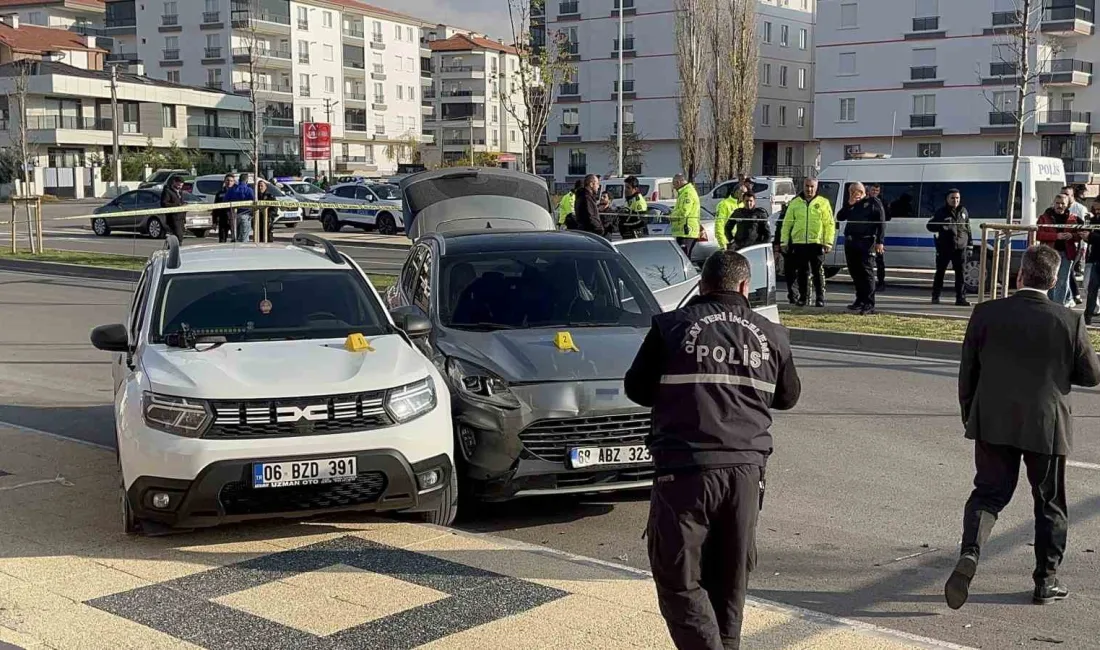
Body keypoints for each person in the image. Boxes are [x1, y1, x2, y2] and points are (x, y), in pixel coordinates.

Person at [624, 250, 801, 650]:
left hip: (685, 470)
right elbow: (788, 397)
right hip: (745, 472)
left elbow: (636, 388)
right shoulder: (771, 334)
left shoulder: (672, 327)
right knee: (730, 580)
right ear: (744, 287)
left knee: (679, 579)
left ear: (702, 286)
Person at [945, 244, 1100, 611]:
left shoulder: (985, 314)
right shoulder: (1069, 320)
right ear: (1055, 279)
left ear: (1019, 275)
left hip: (993, 421)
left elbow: (968, 373)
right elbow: (1091, 375)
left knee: (988, 494)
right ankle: (1046, 581)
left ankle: (971, 551)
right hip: (1046, 425)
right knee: (1049, 502)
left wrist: (971, 415)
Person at [780, 177, 835, 307]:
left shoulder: (823, 202)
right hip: (799, 243)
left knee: (818, 272)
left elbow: (829, 224)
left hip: (816, 243)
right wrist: (784, 241)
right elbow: (787, 224)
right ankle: (803, 298)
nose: (809, 189)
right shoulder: (795, 203)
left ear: (816, 188)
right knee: (802, 272)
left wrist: (828, 242)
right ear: (803, 186)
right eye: (807, 186)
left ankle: (820, 298)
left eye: (812, 186)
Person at [836, 182, 886, 315]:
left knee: (866, 273)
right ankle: (860, 300)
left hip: (866, 241)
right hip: (851, 242)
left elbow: (881, 222)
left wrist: (880, 242)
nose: (853, 194)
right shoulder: (851, 204)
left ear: (862, 191)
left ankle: (869, 303)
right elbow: (840, 217)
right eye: (851, 192)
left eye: (856, 192)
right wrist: (849, 205)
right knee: (855, 272)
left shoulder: (873, 202)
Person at [1037, 193, 1087, 306]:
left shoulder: (1073, 218)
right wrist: (1056, 236)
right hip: (1049, 253)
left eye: (1062, 203)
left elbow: (1082, 233)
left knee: (1062, 281)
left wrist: (1072, 236)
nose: (1059, 206)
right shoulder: (1044, 217)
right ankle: (1048, 304)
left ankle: (1059, 306)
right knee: (1049, 279)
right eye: (1057, 203)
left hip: (1067, 253)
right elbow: (1038, 234)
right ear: (1053, 204)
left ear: (1068, 205)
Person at [927, 189, 973, 306]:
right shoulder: (941, 212)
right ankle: (935, 296)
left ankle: (960, 298)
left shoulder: (963, 211)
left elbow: (968, 228)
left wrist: (970, 245)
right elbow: (930, 226)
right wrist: (942, 226)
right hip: (945, 247)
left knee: (961, 274)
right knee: (940, 272)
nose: (955, 200)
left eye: (957, 198)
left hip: (960, 248)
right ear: (947, 199)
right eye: (952, 198)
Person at [1062, 186, 1089, 305]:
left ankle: (1072, 296)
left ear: (1072, 196)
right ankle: (1073, 295)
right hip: (1064, 245)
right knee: (1067, 272)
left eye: (1067, 194)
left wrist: (1082, 244)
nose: (1065, 196)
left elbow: (1084, 228)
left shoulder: (1080, 209)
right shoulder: (1061, 207)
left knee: (1069, 271)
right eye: (1063, 194)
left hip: (1077, 245)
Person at [670, 173, 701, 258]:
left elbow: (684, 211)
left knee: (684, 258)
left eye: (674, 184)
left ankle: (687, 271)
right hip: (683, 231)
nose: (674, 187)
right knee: (683, 257)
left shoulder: (687, 193)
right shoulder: (684, 192)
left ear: (679, 182)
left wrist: (671, 216)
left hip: (686, 231)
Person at [867, 183, 890, 291]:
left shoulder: (881, 203)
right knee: (868, 261)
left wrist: (880, 240)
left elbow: (883, 221)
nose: (875, 192)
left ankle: (881, 282)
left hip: (877, 235)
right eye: (873, 190)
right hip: (868, 234)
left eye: (877, 191)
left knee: (879, 261)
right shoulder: (866, 201)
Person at [223, 174, 256, 243]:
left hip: (234, 216)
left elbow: (225, 202)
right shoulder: (249, 190)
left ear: (238, 180)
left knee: (235, 237)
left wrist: (228, 213)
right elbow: (254, 203)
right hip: (245, 215)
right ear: (247, 181)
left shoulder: (231, 190)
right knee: (244, 238)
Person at [1085, 200, 1100, 326]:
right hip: (1095, 259)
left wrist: (1090, 237)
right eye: (1095, 209)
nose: (1097, 212)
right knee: (1092, 289)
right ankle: (1088, 316)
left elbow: (1093, 237)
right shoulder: (1094, 219)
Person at [619, 176, 648, 240]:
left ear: (635, 189)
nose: (625, 190)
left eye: (628, 188)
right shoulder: (629, 199)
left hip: (636, 234)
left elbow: (641, 221)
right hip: (628, 233)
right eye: (625, 187)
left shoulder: (639, 200)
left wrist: (625, 224)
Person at [160, 175, 187, 241]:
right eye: (178, 185)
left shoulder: (180, 192)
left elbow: (181, 203)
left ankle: (173, 249)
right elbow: (164, 204)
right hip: (173, 218)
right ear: (174, 182)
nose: (180, 187)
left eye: (181, 186)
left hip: (181, 218)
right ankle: (175, 250)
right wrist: (177, 205)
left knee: (180, 236)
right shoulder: (167, 191)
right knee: (178, 236)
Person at [213, 173, 236, 243]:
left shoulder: (236, 192)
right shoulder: (220, 193)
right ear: (224, 181)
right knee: (222, 239)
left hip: (233, 219)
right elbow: (215, 208)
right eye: (227, 180)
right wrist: (214, 222)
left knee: (234, 239)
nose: (229, 182)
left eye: (231, 181)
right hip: (223, 218)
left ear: (234, 182)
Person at [255, 178, 277, 243]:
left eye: (261, 186)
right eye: (258, 186)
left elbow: (274, 209)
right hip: (258, 222)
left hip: (268, 221)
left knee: (268, 238)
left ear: (265, 187)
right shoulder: (256, 196)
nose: (260, 187)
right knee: (258, 239)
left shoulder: (270, 196)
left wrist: (269, 217)